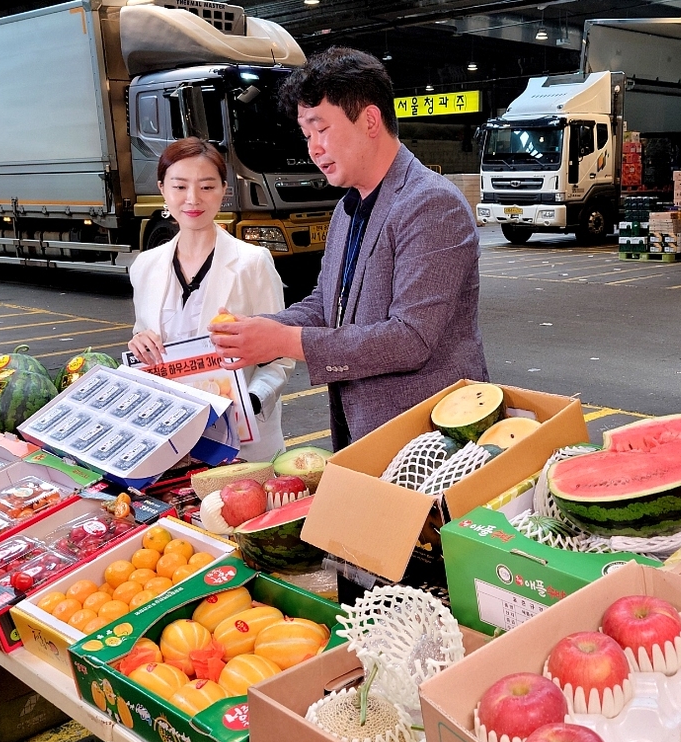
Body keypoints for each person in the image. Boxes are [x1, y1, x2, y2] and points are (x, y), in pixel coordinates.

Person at [209, 46, 488, 450]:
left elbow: (410, 338)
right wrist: (255, 329)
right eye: (307, 135)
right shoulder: (347, 209)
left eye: (321, 129)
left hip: (433, 437)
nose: (314, 148)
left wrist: (282, 341)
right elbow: (327, 305)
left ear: (370, 120)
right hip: (364, 430)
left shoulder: (430, 202)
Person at [127, 137, 294, 463]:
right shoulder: (145, 266)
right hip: (171, 439)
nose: (192, 199)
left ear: (223, 190)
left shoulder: (253, 262)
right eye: (179, 187)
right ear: (163, 190)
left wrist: (249, 402)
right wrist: (139, 342)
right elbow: (144, 338)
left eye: (206, 187)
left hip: (241, 444)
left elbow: (280, 357)